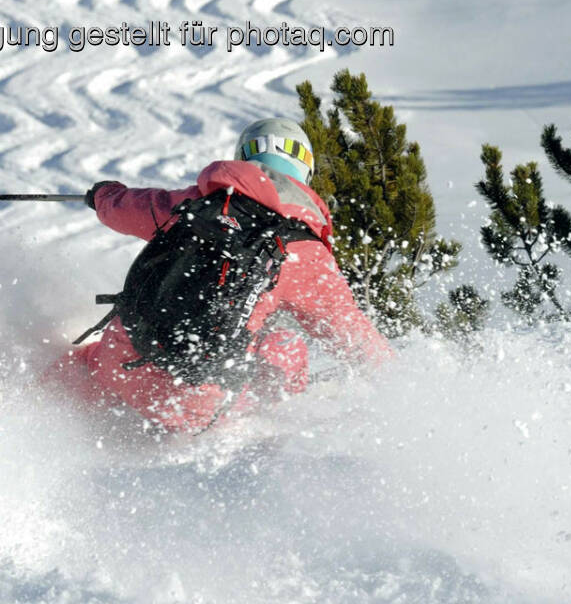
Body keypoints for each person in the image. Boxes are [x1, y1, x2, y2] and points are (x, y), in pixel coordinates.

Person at [45, 117, 392, 434]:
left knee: (82, 365)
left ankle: (22, 410)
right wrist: (405, 385)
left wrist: (103, 194)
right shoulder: (305, 251)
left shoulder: (197, 203)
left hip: (122, 359)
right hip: (190, 404)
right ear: (307, 173)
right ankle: (257, 436)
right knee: (287, 346)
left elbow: (124, 209)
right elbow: (355, 340)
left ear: (242, 158)